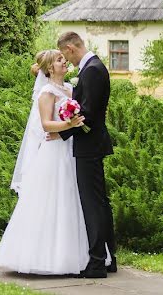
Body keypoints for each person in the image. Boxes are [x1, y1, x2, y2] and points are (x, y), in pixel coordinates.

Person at [0, 49, 90, 275]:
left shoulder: (70, 88)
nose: (64, 62)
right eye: (59, 60)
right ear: (49, 68)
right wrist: (70, 126)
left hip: (71, 149)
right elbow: (46, 125)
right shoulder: (46, 92)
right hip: (54, 152)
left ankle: (75, 256)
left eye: (64, 59)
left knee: (71, 199)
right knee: (52, 200)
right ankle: (44, 257)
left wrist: (70, 127)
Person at [48, 31, 116, 278]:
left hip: (90, 145)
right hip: (90, 144)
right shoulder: (92, 68)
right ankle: (109, 258)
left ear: (70, 48)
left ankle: (98, 263)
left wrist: (61, 133)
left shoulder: (93, 70)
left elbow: (87, 112)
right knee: (99, 202)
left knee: (93, 204)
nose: (66, 61)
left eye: (64, 55)